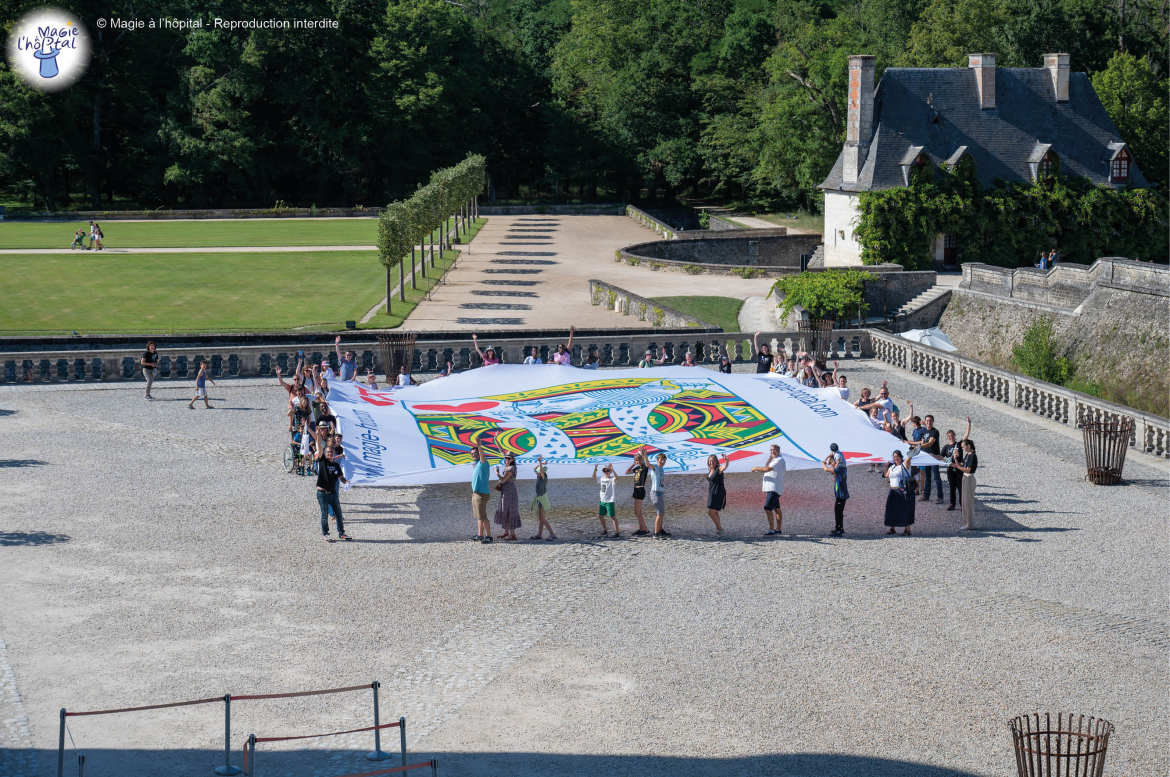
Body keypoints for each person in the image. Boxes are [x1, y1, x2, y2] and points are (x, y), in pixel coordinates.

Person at [314, 426, 349, 542]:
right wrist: (318, 436)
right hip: (322, 493)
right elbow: (319, 447)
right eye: (327, 452)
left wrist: (346, 481)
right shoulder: (322, 461)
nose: (329, 454)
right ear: (325, 453)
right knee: (324, 515)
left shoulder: (336, 465)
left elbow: (341, 477)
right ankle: (326, 533)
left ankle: (342, 533)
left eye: (331, 452)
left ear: (334, 453)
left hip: (332, 493)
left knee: (338, 514)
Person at [752, 444, 786, 535]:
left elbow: (767, 469)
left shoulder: (779, 460)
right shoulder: (774, 460)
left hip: (773, 488)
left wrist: (755, 468)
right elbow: (767, 465)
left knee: (767, 508)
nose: (772, 451)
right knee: (777, 508)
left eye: (774, 450)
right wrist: (770, 457)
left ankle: (771, 529)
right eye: (771, 450)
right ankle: (778, 529)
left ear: (779, 450)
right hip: (773, 488)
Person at [883, 449, 917, 535]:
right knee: (892, 510)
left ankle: (907, 530)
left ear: (901, 457)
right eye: (894, 457)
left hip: (903, 491)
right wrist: (886, 466)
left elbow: (908, 459)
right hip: (893, 490)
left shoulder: (905, 465)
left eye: (897, 457)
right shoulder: (892, 467)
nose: (896, 458)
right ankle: (892, 528)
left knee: (905, 510)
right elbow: (886, 475)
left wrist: (911, 453)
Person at [942, 417, 972, 511]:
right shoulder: (946, 447)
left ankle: (962, 505)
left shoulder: (959, 444)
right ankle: (952, 503)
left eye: (952, 435)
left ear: (954, 435)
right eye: (949, 436)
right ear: (947, 437)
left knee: (960, 488)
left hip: (959, 468)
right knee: (952, 487)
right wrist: (931, 456)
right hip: (950, 469)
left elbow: (966, 436)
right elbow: (940, 456)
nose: (951, 437)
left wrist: (969, 424)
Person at [493, 453, 521, 540]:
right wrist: (497, 441)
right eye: (506, 458)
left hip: (510, 492)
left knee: (509, 511)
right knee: (505, 510)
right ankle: (506, 532)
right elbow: (501, 451)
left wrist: (496, 472)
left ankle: (512, 534)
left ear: (512, 459)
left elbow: (503, 479)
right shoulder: (508, 467)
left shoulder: (512, 468)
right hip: (506, 491)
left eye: (508, 459)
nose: (506, 460)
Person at [952, 439, 979, 530]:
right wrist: (955, 458)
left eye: (963, 446)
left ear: (969, 446)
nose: (962, 448)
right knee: (964, 501)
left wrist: (956, 466)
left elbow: (968, 469)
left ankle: (970, 524)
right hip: (965, 477)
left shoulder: (973, 456)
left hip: (969, 477)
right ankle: (966, 522)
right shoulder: (968, 455)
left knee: (968, 502)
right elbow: (961, 464)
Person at [822, 447, 849, 536]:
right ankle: (839, 528)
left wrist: (823, 463)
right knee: (837, 511)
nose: (831, 464)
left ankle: (839, 530)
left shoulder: (839, 468)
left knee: (838, 511)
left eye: (832, 462)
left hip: (841, 495)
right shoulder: (841, 468)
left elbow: (826, 469)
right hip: (840, 494)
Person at [625, 451, 651, 536]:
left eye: (639, 460)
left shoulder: (644, 467)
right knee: (638, 512)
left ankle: (644, 529)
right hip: (635, 490)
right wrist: (633, 464)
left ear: (642, 460)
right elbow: (627, 472)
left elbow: (647, 464)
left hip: (640, 490)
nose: (638, 462)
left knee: (637, 512)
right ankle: (642, 529)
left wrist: (644, 456)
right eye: (637, 460)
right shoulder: (636, 468)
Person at [530, 455, 556, 540]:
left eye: (538, 472)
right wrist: (540, 464)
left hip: (543, 500)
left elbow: (541, 472)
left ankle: (552, 534)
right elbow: (534, 469)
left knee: (542, 518)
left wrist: (540, 463)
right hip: (539, 499)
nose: (537, 473)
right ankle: (539, 534)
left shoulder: (544, 479)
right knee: (540, 518)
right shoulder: (538, 477)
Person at [471, 442, 493, 543]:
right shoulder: (476, 464)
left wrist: (479, 446)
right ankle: (480, 535)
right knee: (479, 516)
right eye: (472, 454)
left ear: (480, 453)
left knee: (483, 516)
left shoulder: (483, 462)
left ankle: (489, 536)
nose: (474, 455)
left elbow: (482, 455)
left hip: (481, 494)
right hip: (475, 493)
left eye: (475, 453)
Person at [918, 414, 943, 502]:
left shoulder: (935, 432)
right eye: (927, 420)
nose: (928, 422)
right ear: (925, 421)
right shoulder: (924, 432)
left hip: (934, 457)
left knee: (936, 477)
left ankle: (940, 497)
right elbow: (921, 442)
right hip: (926, 457)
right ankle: (926, 495)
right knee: (927, 477)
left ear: (933, 421)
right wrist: (910, 443)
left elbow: (929, 443)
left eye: (930, 420)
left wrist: (919, 446)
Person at [705, 453, 730, 537]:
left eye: (713, 461)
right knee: (715, 512)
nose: (711, 462)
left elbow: (725, 467)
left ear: (716, 461)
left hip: (718, 492)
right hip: (711, 493)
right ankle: (719, 530)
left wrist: (726, 460)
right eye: (710, 461)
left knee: (710, 512)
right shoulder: (710, 469)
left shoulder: (718, 469)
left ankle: (720, 529)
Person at [593, 463, 619, 536]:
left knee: (612, 517)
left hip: (610, 501)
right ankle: (605, 530)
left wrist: (612, 469)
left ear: (610, 471)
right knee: (600, 516)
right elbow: (593, 477)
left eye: (608, 471)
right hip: (602, 501)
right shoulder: (602, 479)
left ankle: (617, 532)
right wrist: (595, 469)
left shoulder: (612, 479)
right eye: (605, 471)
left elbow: (616, 477)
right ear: (603, 472)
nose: (606, 472)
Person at [648, 450, 670, 537]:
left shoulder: (661, 469)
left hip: (660, 492)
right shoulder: (656, 467)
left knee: (662, 513)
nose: (663, 462)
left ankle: (660, 529)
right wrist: (645, 456)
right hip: (655, 492)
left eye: (664, 460)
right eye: (661, 460)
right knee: (659, 513)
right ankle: (656, 533)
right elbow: (648, 465)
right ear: (657, 460)